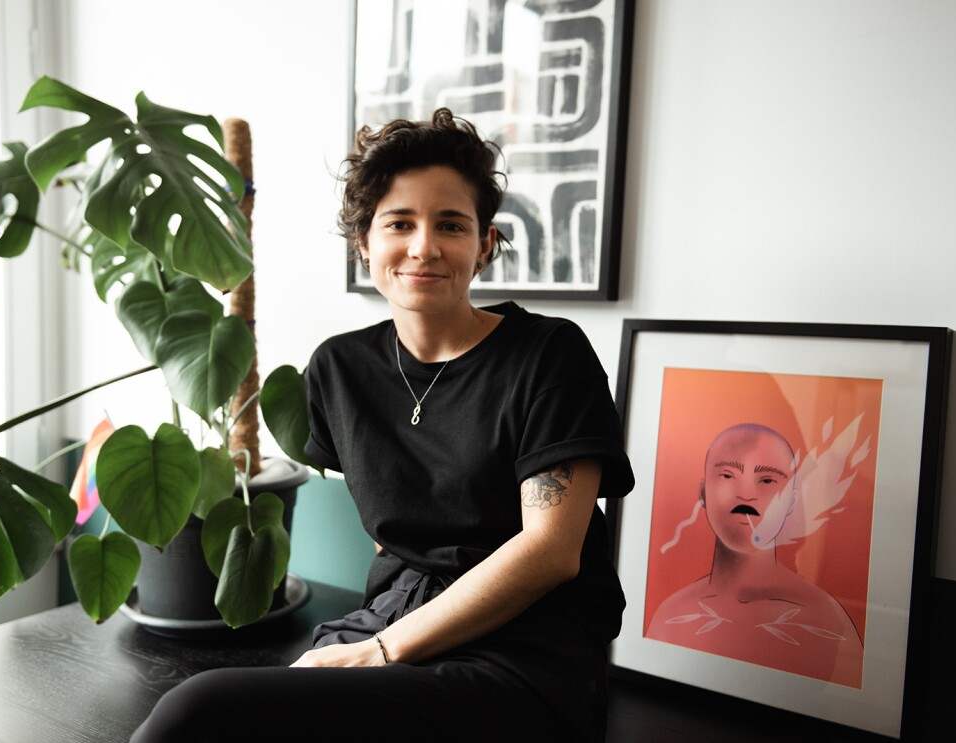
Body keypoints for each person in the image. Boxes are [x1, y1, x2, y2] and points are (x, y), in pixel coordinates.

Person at [131, 108, 634, 742]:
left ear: (483, 245)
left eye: (450, 224)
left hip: (526, 646)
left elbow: (551, 553)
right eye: (400, 222)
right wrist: (379, 638)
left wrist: (384, 651)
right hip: (394, 621)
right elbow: (390, 531)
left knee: (197, 710)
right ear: (364, 242)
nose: (424, 246)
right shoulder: (340, 369)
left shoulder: (548, 354)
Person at [646, 423, 864, 687]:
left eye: (767, 480)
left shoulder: (827, 619)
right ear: (703, 493)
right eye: (727, 475)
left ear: (791, 502)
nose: (746, 494)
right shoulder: (670, 613)